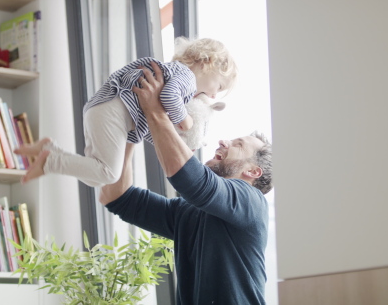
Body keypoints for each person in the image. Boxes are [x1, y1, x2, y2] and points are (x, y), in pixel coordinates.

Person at [99, 63, 273, 304]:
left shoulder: (251, 202)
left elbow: (192, 180)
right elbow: (116, 196)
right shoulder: (190, 212)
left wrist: (155, 111)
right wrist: (130, 131)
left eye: (238, 144)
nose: (223, 141)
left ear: (253, 171)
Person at [14, 37, 237, 186]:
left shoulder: (178, 79)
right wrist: (186, 123)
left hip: (107, 111)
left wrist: (176, 139)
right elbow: (169, 98)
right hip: (113, 112)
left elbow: (151, 125)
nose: (215, 95)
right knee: (109, 174)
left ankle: (49, 149)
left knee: (96, 176)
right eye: (219, 87)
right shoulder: (185, 77)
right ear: (207, 63)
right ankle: (49, 162)